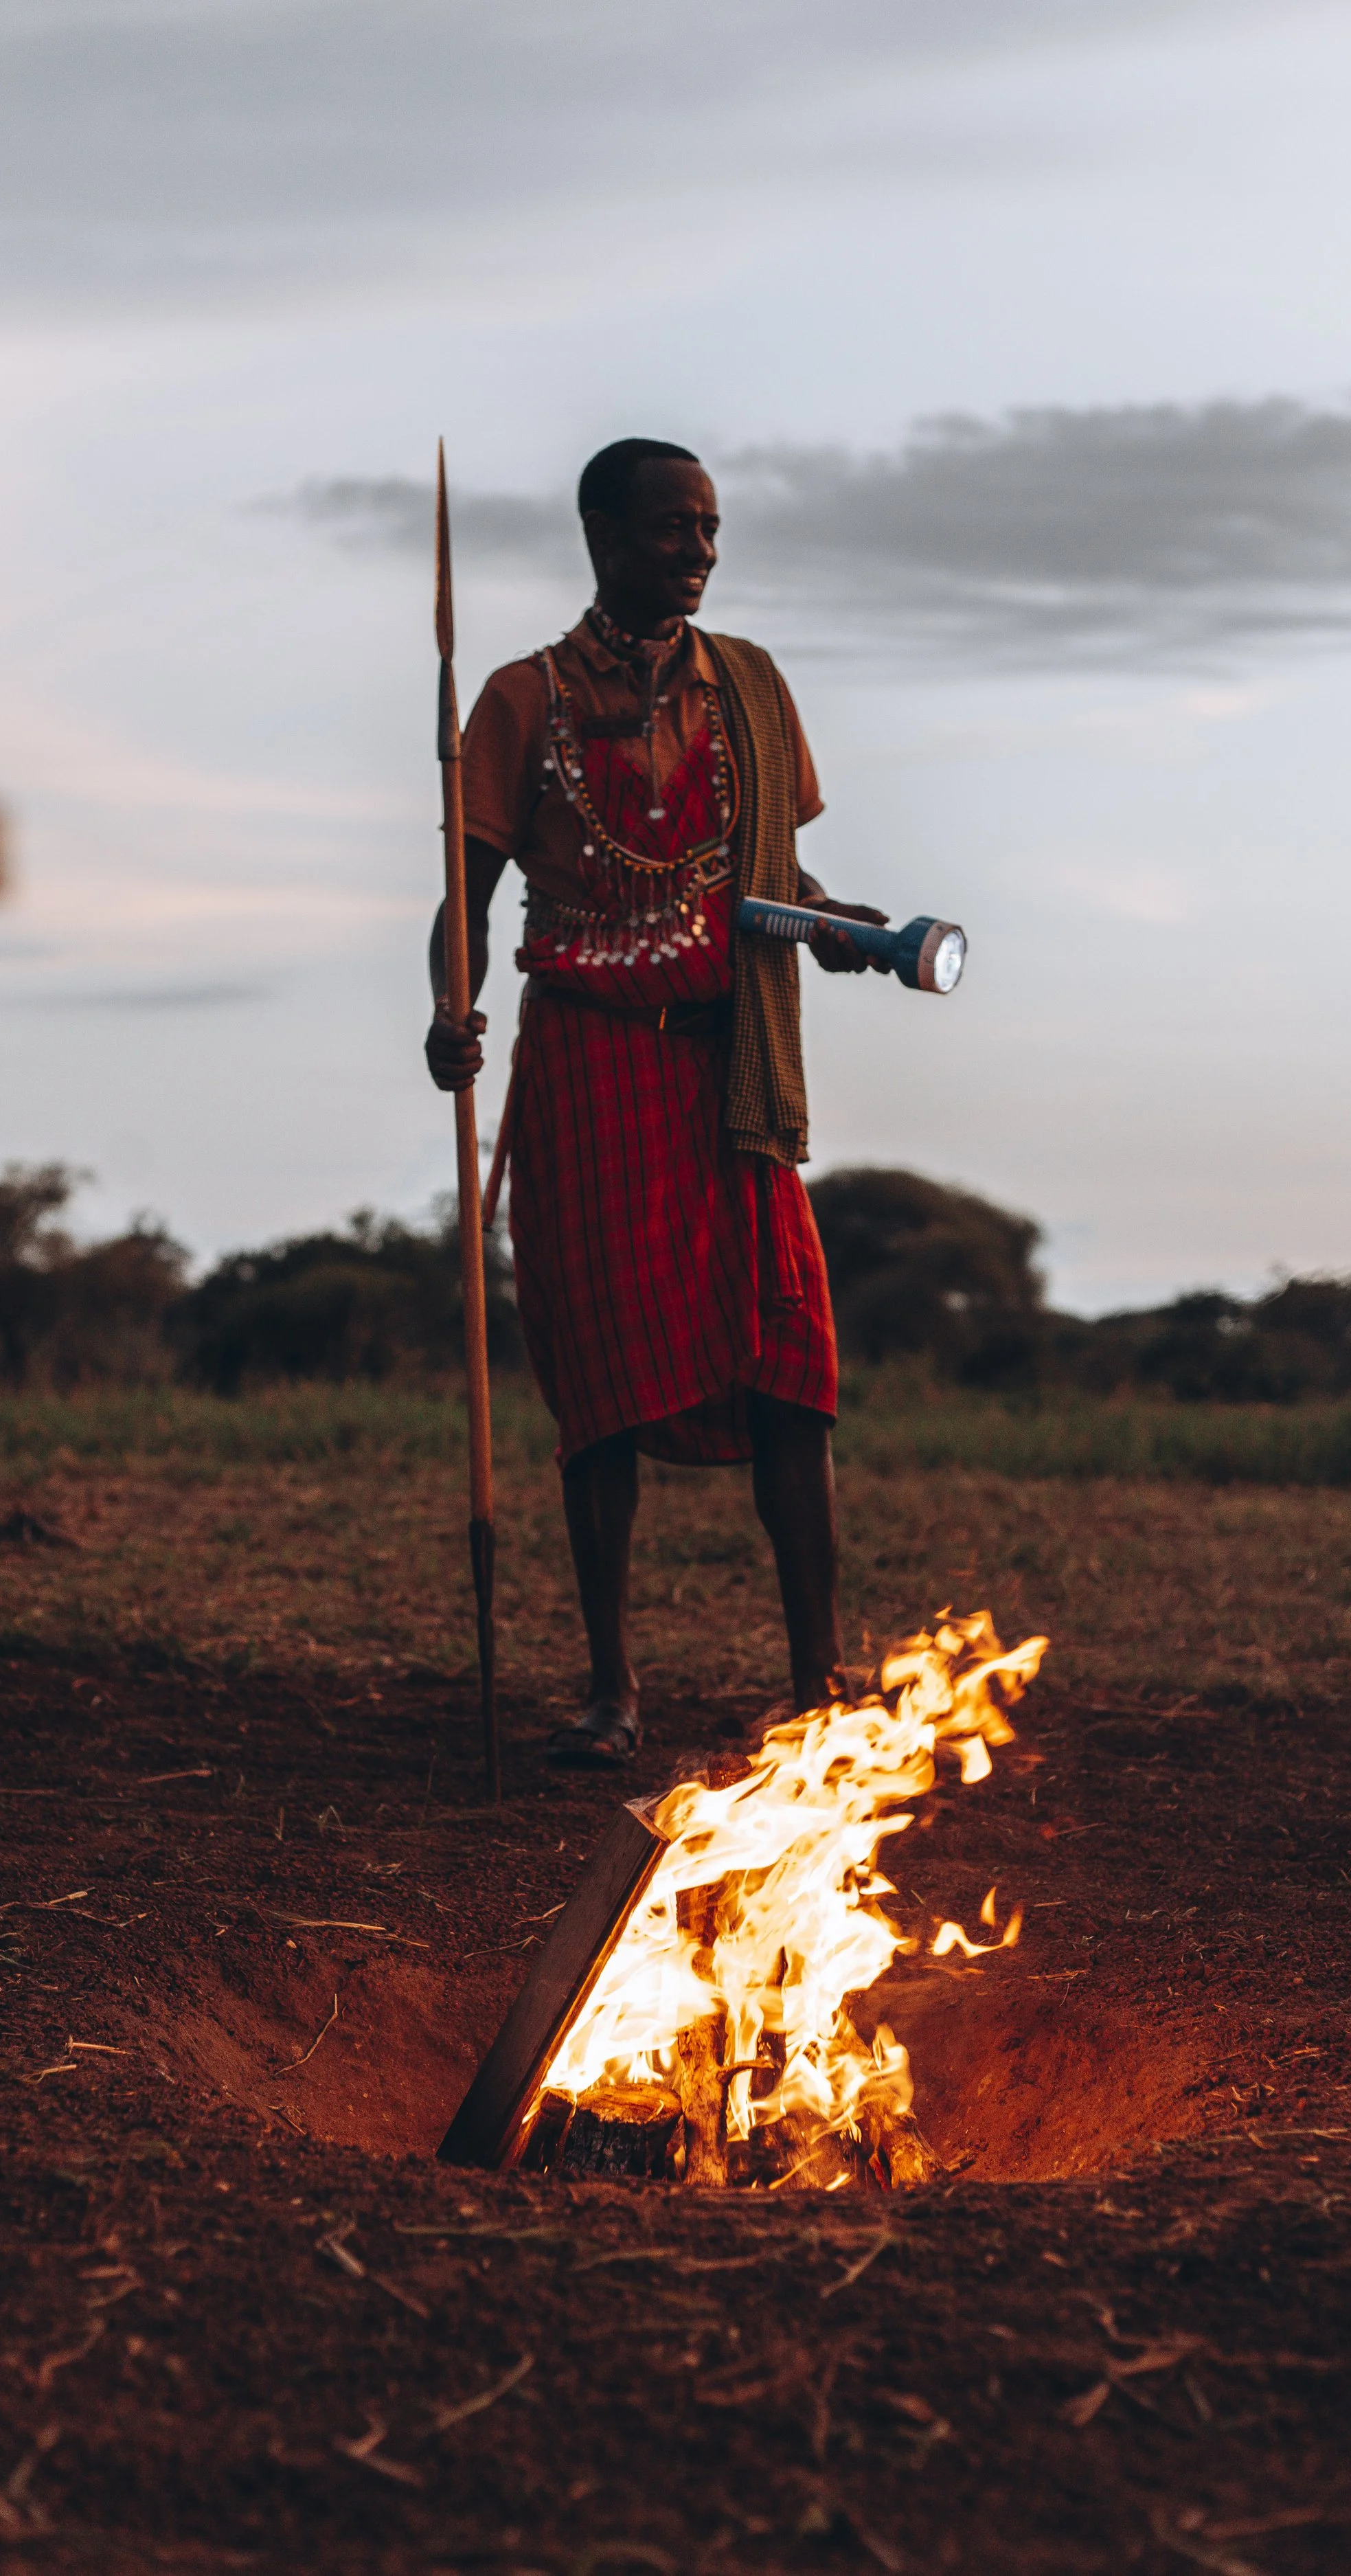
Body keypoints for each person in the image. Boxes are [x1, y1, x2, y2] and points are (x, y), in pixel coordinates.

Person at [426, 438, 888, 1765]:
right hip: (589, 1061)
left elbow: (768, 871)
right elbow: (471, 900)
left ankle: (819, 1674)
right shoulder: (523, 701)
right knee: (604, 1385)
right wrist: (450, 1010)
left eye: (712, 528)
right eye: (675, 528)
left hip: (726, 1068)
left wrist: (838, 924)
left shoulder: (749, 685)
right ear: (602, 535)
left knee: (793, 1360)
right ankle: (610, 1691)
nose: (701, 551)